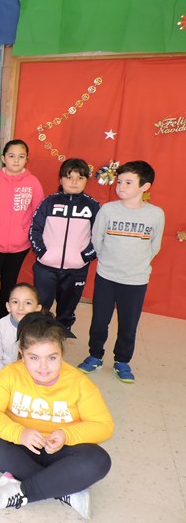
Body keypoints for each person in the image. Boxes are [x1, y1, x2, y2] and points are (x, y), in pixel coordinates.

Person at [0, 312, 114, 519]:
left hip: (61, 450)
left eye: (52, 357)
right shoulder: (9, 375)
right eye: (34, 358)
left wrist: (66, 435)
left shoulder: (79, 383)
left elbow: (104, 425)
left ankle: (23, 491)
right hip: (22, 446)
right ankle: (64, 488)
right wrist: (19, 433)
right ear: (22, 354)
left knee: (99, 460)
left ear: (62, 354)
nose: (43, 367)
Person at [78, 161, 165, 383]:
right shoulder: (108, 210)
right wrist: (109, 261)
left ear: (144, 187)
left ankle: (122, 361)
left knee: (128, 324)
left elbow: (154, 246)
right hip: (107, 277)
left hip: (135, 280)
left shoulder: (156, 214)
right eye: (119, 182)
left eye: (128, 182)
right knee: (99, 320)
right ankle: (95, 356)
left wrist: (135, 264)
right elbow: (97, 239)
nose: (121, 186)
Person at [0, 139, 44, 325]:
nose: (16, 160)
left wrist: (25, 234)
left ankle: (3, 319)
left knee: (9, 284)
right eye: (11, 156)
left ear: (26, 159)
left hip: (19, 246)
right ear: (3, 158)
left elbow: (39, 213)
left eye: (21, 157)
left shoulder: (32, 182)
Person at [29, 158, 100, 336]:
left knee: (68, 307)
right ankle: (39, 335)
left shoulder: (93, 206)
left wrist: (84, 257)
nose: (74, 182)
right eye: (69, 177)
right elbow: (35, 229)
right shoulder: (48, 202)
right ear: (60, 179)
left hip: (76, 269)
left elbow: (100, 237)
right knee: (41, 305)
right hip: (46, 267)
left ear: (86, 180)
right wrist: (42, 253)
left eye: (80, 178)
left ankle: (61, 335)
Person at [0, 283, 42, 373]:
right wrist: (7, 377)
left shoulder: (43, 329)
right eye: (15, 302)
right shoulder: (0, 327)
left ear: (37, 308)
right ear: (8, 306)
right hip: (6, 371)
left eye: (28, 303)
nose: (20, 307)